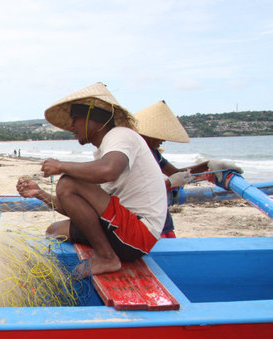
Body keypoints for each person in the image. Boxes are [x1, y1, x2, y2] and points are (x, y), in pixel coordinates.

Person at [16, 82, 167, 278]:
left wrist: (61, 165)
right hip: (123, 233)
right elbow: (79, 208)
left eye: (75, 119)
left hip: (138, 234)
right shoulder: (104, 153)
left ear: (93, 118)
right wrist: (40, 193)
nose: (72, 126)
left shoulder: (121, 135)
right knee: (54, 230)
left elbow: (109, 171)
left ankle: (106, 257)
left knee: (68, 182)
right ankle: (106, 253)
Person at [134, 100, 243, 237]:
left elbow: (176, 173)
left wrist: (207, 165)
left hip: (161, 217)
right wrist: (170, 183)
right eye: (160, 136)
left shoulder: (154, 153)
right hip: (143, 219)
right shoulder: (131, 155)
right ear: (147, 134)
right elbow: (135, 190)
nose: (163, 140)